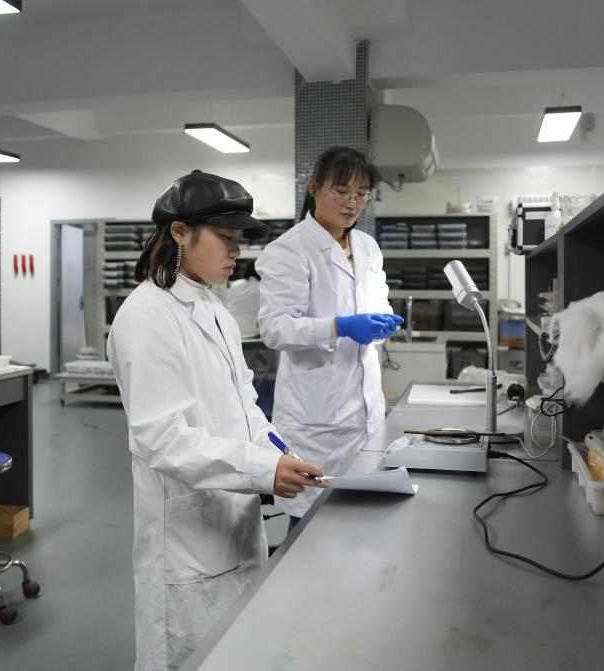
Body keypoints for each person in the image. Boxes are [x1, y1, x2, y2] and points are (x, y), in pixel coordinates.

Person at [107, 170, 327, 671]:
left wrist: (278, 455)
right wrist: (261, 470)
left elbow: (245, 404)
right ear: (179, 232)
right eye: (225, 237)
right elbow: (162, 439)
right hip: (186, 544)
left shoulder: (214, 309)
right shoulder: (147, 317)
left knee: (236, 650)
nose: (236, 251)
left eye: (238, 239)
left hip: (234, 519)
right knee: (190, 657)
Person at [256, 147, 401, 528]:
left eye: (361, 193)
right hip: (315, 420)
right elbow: (274, 328)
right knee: (309, 526)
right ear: (314, 188)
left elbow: (377, 301)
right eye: (341, 191)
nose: (352, 203)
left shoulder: (367, 246)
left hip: (366, 411)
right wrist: (339, 326)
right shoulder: (288, 250)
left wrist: (383, 324)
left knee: (362, 522)